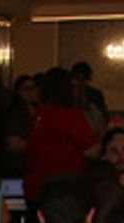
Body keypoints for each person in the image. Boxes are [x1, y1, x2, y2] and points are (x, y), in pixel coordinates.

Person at [23, 67, 99, 206]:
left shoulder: (39, 115)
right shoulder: (70, 117)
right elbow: (92, 151)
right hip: (65, 191)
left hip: (36, 189)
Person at [0, 73, 39, 179]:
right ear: (18, 91)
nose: (30, 92)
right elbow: (12, 144)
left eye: (33, 88)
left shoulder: (38, 110)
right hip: (18, 166)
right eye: (26, 88)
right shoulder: (15, 113)